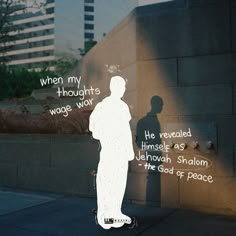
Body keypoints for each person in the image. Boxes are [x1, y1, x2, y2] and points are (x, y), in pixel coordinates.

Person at [89, 76, 134, 229]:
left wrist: (128, 150)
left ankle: (116, 212)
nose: (124, 90)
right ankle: (105, 215)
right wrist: (106, 137)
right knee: (107, 181)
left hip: (121, 151)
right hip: (110, 151)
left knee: (119, 182)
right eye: (122, 87)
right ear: (114, 87)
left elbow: (126, 130)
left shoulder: (123, 107)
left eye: (124, 87)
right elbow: (93, 127)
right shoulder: (103, 106)